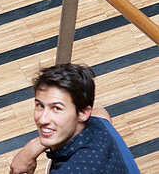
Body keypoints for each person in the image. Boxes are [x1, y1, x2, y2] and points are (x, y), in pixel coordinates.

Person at [8, 63, 137, 173]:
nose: (42, 119)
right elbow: (101, 112)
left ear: (83, 113)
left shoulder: (71, 170)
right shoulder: (99, 123)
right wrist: (32, 147)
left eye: (56, 108)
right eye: (40, 105)